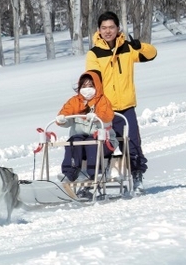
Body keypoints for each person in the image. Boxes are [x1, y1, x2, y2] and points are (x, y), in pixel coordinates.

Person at [85, 11, 157, 192]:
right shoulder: (94, 54)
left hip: (126, 107)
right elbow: (93, 79)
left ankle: (136, 175)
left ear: (118, 29)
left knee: (132, 143)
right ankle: (96, 178)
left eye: (111, 27)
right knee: (103, 144)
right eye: (104, 28)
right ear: (98, 30)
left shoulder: (127, 48)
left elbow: (152, 54)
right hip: (105, 109)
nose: (108, 31)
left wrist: (139, 46)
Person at [56, 70, 115, 199]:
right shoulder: (74, 101)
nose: (87, 90)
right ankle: (70, 173)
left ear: (97, 87)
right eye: (84, 86)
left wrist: (97, 117)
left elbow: (107, 117)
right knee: (73, 140)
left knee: (91, 142)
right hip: (80, 141)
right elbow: (66, 114)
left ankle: (95, 173)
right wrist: (62, 119)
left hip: (102, 141)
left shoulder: (103, 101)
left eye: (90, 86)